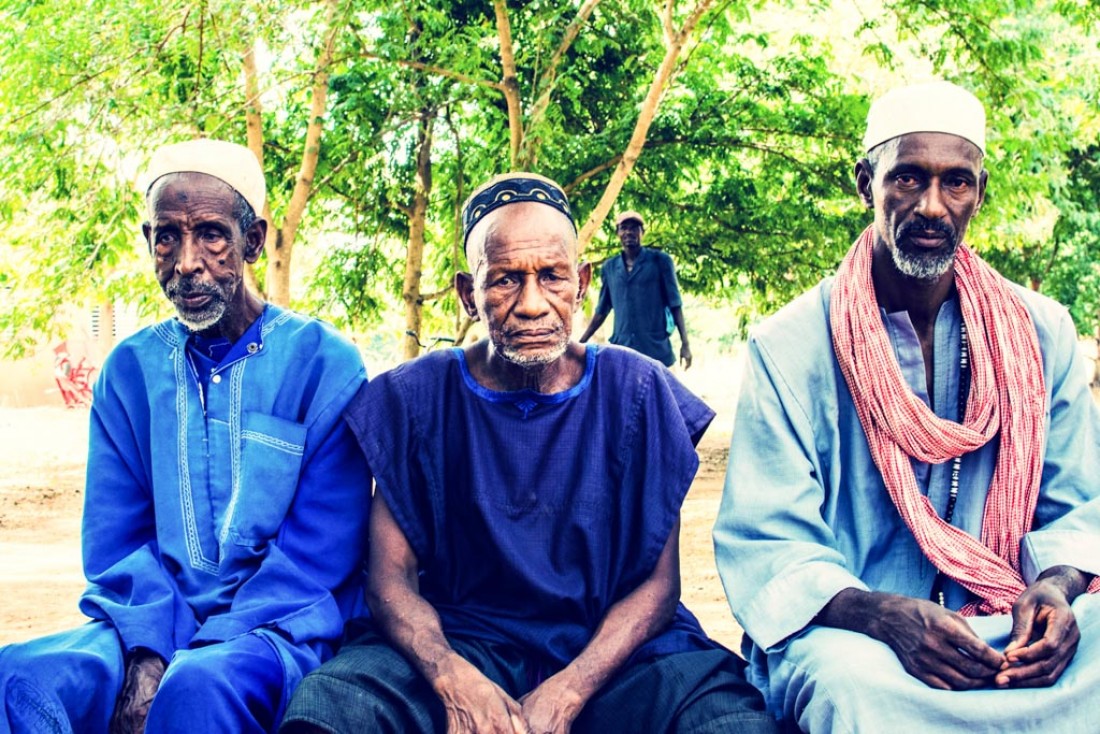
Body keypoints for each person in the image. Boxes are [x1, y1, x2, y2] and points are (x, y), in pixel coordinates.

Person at [280, 173, 775, 734]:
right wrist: (451, 677)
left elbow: (658, 588)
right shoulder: (415, 397)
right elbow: (391, 580)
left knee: (728, 720)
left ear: (582, 282)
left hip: (614, 657)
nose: (533, 304)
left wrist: (568, 691)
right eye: (506, 281)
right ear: (469, 294)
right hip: (463, 643)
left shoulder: (637, 391)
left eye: (552, 276)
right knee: (331, 708)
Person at [713, 80, 1100, 733]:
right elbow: (770, 540)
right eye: (907, 179)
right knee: (848, 686)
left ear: (980, 192)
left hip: (1004, 620)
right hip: (859, 634)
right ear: (865, 183)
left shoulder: (1041, 331)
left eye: (956, 183)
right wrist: (886, 617)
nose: (931, 206)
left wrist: (1055, 591)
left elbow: (1075, 504)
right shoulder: (791, 345)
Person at [0, 139, 371, 733]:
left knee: (197, 686)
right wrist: (149, 652)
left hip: (273, 629)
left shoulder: (324, 364)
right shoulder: (129, 372)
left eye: (211, 235)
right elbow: (117, 544)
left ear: (252, 241)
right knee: (20, 676)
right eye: (167, 236)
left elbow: (314, 562)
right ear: (149, 244)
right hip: (145, 622)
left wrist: (190, 655)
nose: (187, 261)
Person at [579, 211, 692, 369]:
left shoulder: (660, 261)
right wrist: (580, 343)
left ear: (642, 232)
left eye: (634, 228)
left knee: (658, 393)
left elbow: (675, 304)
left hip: (655, 351)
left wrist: (685, 344)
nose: (629, 232)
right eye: (624, 228)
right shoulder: (609, 267)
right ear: (618, 233)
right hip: (623, 351)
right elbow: (602, 310)